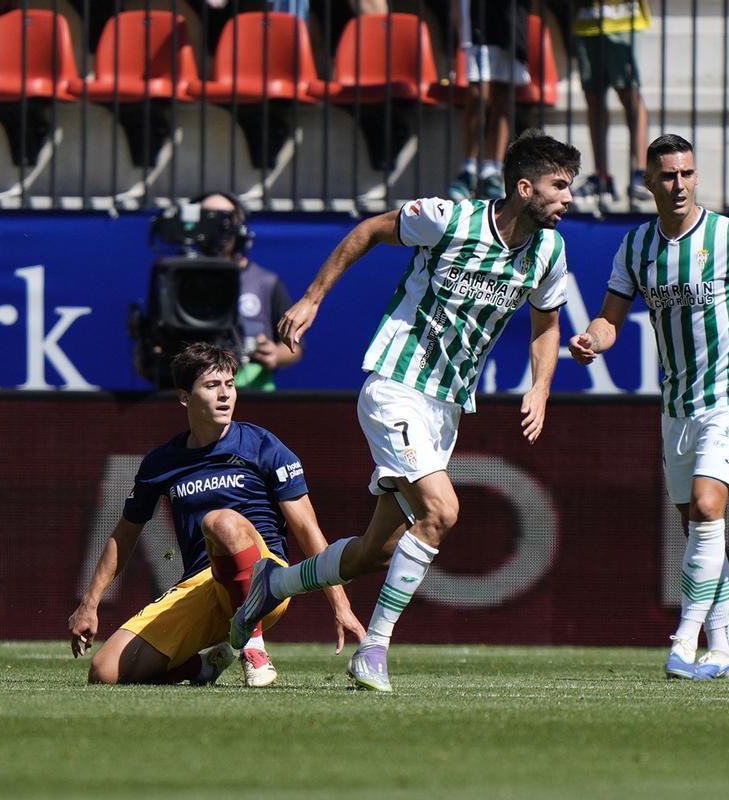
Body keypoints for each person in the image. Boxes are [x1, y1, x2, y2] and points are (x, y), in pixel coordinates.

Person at [229, 129, 579, 692]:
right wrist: (313, 297)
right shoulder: (449, 219)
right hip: (396, 385)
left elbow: (547, 326)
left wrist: (540, 387)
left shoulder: (550, 251)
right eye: (559, 186)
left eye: (570, 187)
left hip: (446, 409)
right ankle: (375, 650)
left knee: (376, 551)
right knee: (442, 511)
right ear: (523, 186)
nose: (568, 198)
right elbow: (368, 230)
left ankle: (274, 585)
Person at [568, 134, 729, 680]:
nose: (680, 184)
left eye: (687, 173)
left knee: (710, 506)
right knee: (697, 527)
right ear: (648, 183)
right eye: (667, 176)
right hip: (679, 404)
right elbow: (610, 319)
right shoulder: (636, 248)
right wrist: (592, 339)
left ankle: (682, 646)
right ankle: (726, 651)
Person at [68, 343, 366, 686]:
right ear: (184, 397)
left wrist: (339, 605)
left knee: (220, 521)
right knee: (104, 672)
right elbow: (125, 534)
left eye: (230, 384)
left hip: (265, 581)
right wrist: (89, 603)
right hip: (203, 585)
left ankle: (253, 647)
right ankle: (205, 667)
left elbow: (307, 529)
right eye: (212, 386)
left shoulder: (263, 445)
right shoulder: (161, 462)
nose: (225, 395)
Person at [197, 192, 303, 390]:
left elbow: (295, 346)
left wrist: (275, 354)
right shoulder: (175, 279)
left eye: (223, 220)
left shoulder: (266, 282)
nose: (213, 230)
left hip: (252, 390)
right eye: (205, 218)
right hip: (191, 394)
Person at [569, 0, 652, 210]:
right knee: (594, 99)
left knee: (629, 95)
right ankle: (602, 177)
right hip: (587, 19)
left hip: (622, 19)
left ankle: (641, 172)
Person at [448, 0, 533, 201]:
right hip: (479, 16)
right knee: (478, 95)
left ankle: (491, 171)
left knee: (503, 96)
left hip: (510, 17)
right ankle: (468, 169)